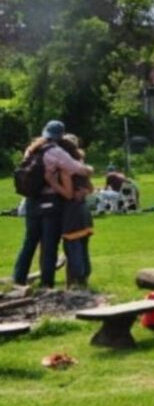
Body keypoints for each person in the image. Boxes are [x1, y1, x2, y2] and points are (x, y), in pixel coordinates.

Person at [12, 120, 92, 288]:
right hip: (50, 202)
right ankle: (46, 283)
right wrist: (89, 169)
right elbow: (78, 169)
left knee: (29, 242)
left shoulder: (32, 149)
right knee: (49, 245)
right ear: (60, 135)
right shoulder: (56, 152)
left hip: (32, 201)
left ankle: (18, 278)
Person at [60, 134, 95, 290]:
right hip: (83, 211)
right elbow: (91, 188)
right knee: (83, 246)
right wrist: (83, 191)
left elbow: (68, 193)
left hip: (72, 212)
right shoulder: (81, 165)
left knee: (72, 247)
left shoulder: (66, 168)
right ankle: (84, 276)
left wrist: (53, 182)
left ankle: (77, 279)